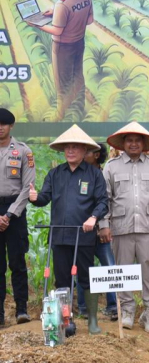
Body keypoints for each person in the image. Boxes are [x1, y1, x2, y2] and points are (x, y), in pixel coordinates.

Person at [29, 125, 108, 335]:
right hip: (60, 235)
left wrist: (93, 217)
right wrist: (35, 198)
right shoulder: (55, 173)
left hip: (83, 236)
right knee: (62, 279)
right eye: (67, 148)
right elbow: (44, 198)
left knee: (86, 278)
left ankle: (92, 320)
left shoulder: (94, 174)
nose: (70, 151)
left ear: (84, 151)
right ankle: (64, 320)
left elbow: (103, 202)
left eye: (75, 147)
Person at [101, 122, 149, 334]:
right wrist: (104, 224)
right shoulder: (111, 166)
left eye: (137, 140)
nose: (133, 144)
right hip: (120, 228)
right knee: (122, 271)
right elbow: (105, 198)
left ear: (143, 144)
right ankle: (128, 311)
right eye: (129, 140)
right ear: (123, 144)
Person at [30, 0, 93, 118]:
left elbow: (57, 30)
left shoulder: (62, 3)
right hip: (79, 43)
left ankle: (60, 115)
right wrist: (56, 14)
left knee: (62, 83)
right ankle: (79, 108)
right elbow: (89, 20)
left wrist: (37, 24)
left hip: (62, 47)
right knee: (78, 76)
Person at [0, 108, 34, 325]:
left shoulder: (23, 151)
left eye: (4, 124)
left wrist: (9, 214)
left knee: (18, 262)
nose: (0, 128)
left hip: (16, 211)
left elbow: (28, 187)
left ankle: (21, 309)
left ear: (11, 126)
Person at [77, 143, 118, 321]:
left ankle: (113, 306)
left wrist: (103, 226)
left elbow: (105, 202)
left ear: (96, 155)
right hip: (82, 230)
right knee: (82, 269)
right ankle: (83, 307)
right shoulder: (77, 174)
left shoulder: (104, 173)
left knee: (109, 267)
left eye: (88, 151)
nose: (84, 154)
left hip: (100, 229)